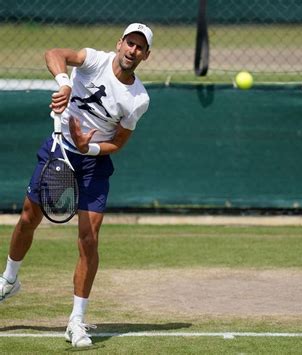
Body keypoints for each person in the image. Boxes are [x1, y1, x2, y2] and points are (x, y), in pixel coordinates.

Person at [0, 23, 153, 347]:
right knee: (29, 217)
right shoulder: (95, 60)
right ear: (119, 43)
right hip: (59, 149)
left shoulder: (138, 98)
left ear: (146, 56)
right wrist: (64, 82)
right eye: (129, 43)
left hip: (93, 165)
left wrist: (91, 148)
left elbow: (119, 142)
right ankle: (9, 280)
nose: (132, 51)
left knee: (89, 239)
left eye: (140, 47)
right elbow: (53, 53)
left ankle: (76, 321)